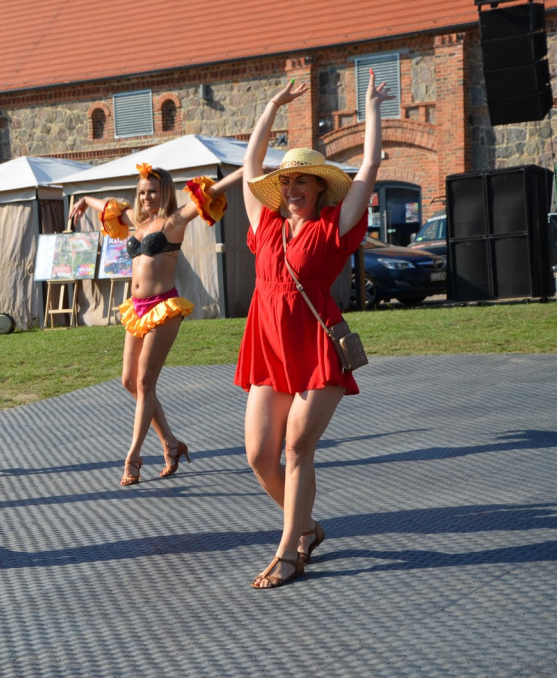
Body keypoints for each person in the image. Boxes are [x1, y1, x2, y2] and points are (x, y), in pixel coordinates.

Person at [238, 74, 392, 589]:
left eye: (302, 181)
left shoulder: (334, 226)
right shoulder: (265, 224)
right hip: (269, 350)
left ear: (320, 187)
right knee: (260, 456)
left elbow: (368, 168)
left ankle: (289, 551)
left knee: (298, 448)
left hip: (319, 347)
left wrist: (370, 110)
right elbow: (249, 168)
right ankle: (305, 525)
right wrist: (271, 107)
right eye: (287, 181)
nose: (292, 187)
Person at [69, 163, 242, 486]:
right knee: (128, 381)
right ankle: (171, 444)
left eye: (152, 191)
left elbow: (213, 192)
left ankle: (133, 456)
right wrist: (84, 200)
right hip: (137, 309)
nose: (146, 197)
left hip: (164, 308)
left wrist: (248, 170)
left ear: (164, 191)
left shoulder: (174, 222)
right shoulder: (137, 221)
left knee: (145, 382)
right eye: (142, 192)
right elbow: (109, 207)